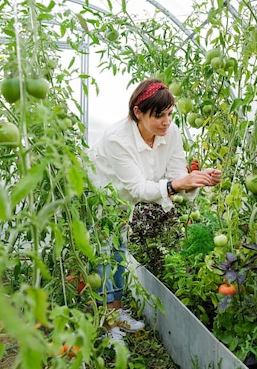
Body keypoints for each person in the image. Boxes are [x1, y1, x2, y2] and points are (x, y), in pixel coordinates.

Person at [87, 78, 222, 346]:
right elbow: (138, 188)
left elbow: (176, 176)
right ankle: (109, 323)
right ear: (138, 112)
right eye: (158, 116)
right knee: (104, 255)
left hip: (124, 200)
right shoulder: (117, 138)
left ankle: (115, 311)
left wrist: (196, 178)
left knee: (118, 253)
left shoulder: (170, 134)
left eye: (170, 114)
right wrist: (177, 184)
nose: (166, 122)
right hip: (100, 196)